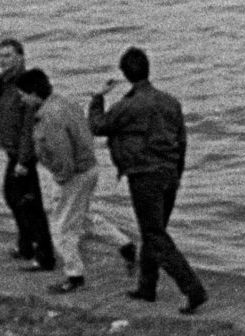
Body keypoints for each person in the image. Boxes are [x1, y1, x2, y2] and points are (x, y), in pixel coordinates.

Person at [88, 46, 207, 314]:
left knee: (153, 235)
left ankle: (193, 289)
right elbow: (182, 142)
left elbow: (97, 126)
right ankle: (147, 287)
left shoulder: (127, 106)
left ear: (125, 74)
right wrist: (177, 173)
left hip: (144, 176)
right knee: (153, 231)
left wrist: (97, 96)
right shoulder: (171, 102)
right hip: (169, 174)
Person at [14, 68, 130, 293]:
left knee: (61, 227)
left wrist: (61, 179)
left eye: (23, 94)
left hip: (73, 175)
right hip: (89, 168)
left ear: (34, 93)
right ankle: (124, 245)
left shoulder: (49, 118)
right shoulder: (63, 102)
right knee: (82, 216)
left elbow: (62, 155)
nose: (22, 99)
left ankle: (74, 276)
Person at [0, 38, 53, 271]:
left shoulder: (26, 85)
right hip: (14, 153)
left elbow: (29, 128)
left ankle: (44, 255)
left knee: (29, 203)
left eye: (7, 56)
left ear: (20, 57)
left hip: (22, 155)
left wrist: (24, 160)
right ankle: (27, 245)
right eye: (0, 56)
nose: (2, 61)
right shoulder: (6, 82)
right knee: (14, 198)